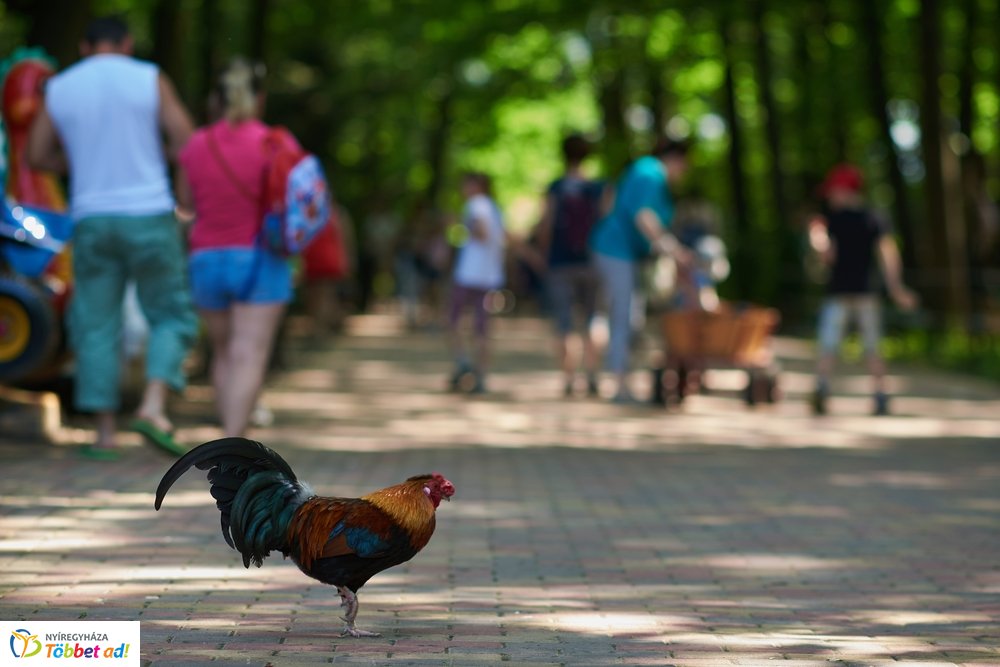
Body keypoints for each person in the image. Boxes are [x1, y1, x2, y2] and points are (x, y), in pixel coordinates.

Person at [27, 15, 197, 458]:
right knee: (168, 314)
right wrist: (159, 157)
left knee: (96, 321)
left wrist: (79, 166)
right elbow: (187, 141)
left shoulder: (60, 86)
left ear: (84, 47)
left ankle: (103, 433)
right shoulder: (149, 78)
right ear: (127, 44)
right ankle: (154, 407)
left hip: (92, 218)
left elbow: (36, 153)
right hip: (149, 213)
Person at [175, 59, 300, 438]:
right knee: (249, 352)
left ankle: (229, 435)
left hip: (206, 259)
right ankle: (234, 438)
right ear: (259, 99)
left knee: (224, 351)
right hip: (260, 259)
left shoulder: (196, 144)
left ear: (217, 99)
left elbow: (186, 202)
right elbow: (296, 203)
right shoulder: (275, 142)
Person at [808, 163, 917, 416]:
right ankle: (869, 392)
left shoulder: (842, 220)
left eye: (833, 192)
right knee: (860, 344)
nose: (830, 198)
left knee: (843, 343)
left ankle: (831, 388)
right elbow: (887, 254)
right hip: (859, 292)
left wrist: (896, 287)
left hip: (847, 293)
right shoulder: (871, 218)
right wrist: (896, 287)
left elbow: (829, 255)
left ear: (845, 190)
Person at [588, 138, 691, 403]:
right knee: (624, 316)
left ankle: (603, 377)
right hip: (615, 251)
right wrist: (673, 249)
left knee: (614, 314)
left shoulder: (644, 171)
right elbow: (643, 217)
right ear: (676, 159)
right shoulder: (651, 173)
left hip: (619, 252)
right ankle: (619, 384)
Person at [536, 134, 605, 397]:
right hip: (592, 261)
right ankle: (593, 375)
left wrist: (544, 255)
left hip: (560, 261)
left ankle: (568, 379)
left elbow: (547, 224)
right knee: (594, 318)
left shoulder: (556, 187)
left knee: (563, 321)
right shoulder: (597, 188)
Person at [447, 172, 505, 394]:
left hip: (469, 274)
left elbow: (481, 233)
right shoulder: (495, 208)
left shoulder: (475, 205)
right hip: (489, 276)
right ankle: (481, 374)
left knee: (454, 320)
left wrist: (462, 225)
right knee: (482, 326)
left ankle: (463, 363)